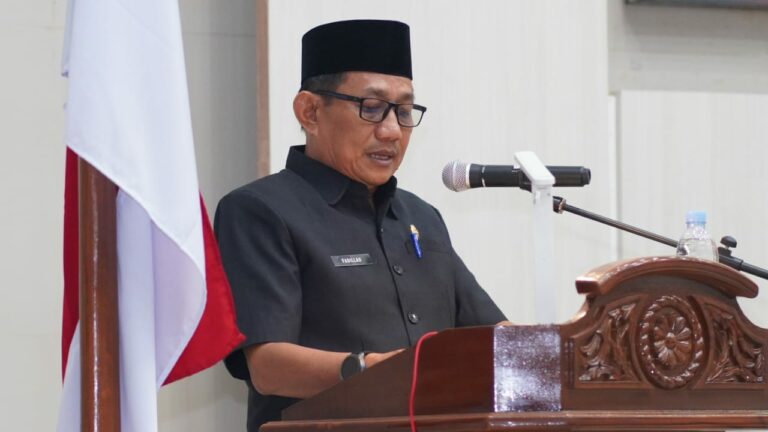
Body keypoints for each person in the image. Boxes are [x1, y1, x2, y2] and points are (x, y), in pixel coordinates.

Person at [214, 19, 507, 431]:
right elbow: (267, 366)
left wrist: (560, 351)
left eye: (403, 112)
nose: (391, 131)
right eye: (371, 108)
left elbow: (494, 336)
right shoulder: (259, 211)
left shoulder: (421, 217)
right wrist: (372, 369)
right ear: (310, 112)